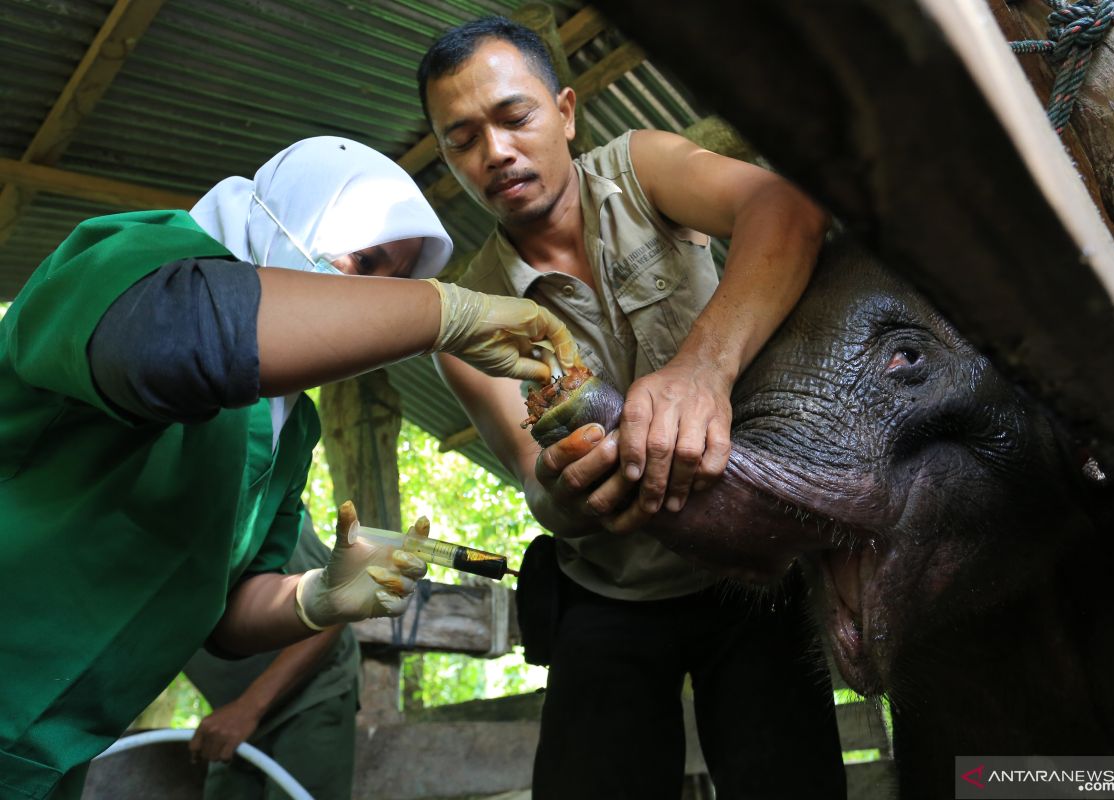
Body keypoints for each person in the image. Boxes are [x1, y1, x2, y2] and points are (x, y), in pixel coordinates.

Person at [0, 136, 578, 800]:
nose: (373, 302)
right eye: (364, 262)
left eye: (392, 283)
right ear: (288, 222)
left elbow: (229, 616)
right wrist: (444, 310)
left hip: (54, 751)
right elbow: (168, 342)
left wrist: (315, 599)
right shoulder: (142, 256)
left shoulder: (289, 429)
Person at [419, 19, 847, 799]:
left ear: (567, 112)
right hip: (609, 594)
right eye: (464, 140)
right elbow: (536, 484)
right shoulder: (464, 322)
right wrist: (567, 492)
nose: (497, 153)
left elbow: (787, 213)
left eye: (515, 117)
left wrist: (701, 370)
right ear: (449, 159)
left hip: (750, 568)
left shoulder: (641, 169)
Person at [184, 517, 360, 800]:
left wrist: (247, 708)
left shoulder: (261, 512)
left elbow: (338, 602)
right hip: (232, 709)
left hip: (310, 696)